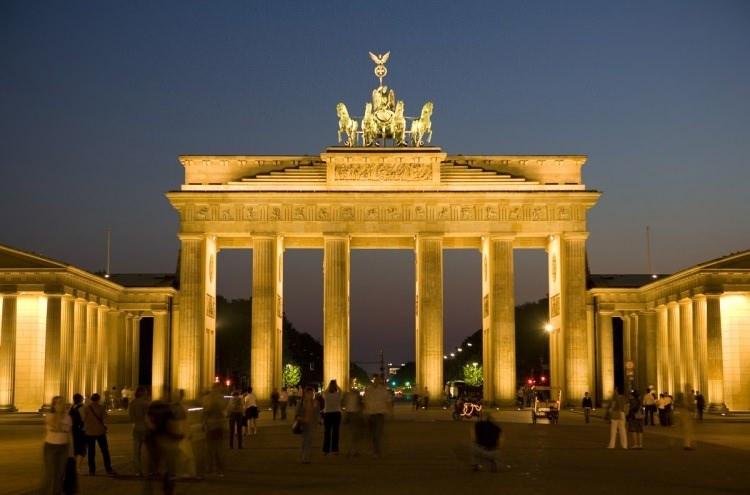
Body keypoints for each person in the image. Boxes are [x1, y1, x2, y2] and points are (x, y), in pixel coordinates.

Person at [144, 399, 182, 495]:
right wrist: (177, 436)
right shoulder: (168, 412)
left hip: (154, 441)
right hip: (166, 439)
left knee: (153, 466)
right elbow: (172, 425)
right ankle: (168, 487)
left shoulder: (150, 412)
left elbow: (149, 426)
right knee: (170, 466)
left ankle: (150, 485)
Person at [41, 396, 72, 494]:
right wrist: (59, 415)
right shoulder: (49, 416)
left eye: (61, 403)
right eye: (57, 403)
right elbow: (57, 427)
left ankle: (56, 493)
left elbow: (67, 432)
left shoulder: (68, 417)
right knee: (50, 473)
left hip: (63, 446)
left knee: (60, 474)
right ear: (53, 405)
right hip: (50, 446)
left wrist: (71, 450)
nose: (59, 405)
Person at [83, 393, 115, 475]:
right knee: (104, 451)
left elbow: (83, 419)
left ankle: (92, 470)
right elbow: (105, 419)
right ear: (98, 399)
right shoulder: (101, 408)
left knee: (91, 451)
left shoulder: (86, 408)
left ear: (91, 399)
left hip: (89, 432)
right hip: (100, 431)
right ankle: (108, 468)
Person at [364, 376, 393, 458]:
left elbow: (388, 401)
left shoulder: (383, 390)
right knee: (372, 435)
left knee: (377, 434)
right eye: (374, 379)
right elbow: (365, 400)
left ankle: (376, 451)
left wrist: (390, 412)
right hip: (370, 414)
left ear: (379, 380)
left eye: (377, 379)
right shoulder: (368, 389)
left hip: (379, 414)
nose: (376, 381)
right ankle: (376, 450)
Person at [202, 386, 226, 476]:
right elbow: (223, 410)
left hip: (210, 426)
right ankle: (219, 469)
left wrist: (203, 423)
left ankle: (209, 468)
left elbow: (205, 412)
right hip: (218, 426)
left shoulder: (207, 399)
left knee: (209, 449)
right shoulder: (220, 398)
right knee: (218, 449)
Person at [172, 389, 196, 479]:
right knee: (186, 453)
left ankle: (184, 472)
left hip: (181, 431)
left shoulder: (177, 406)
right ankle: (187, 472)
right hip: (182, 431)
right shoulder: (181, 406)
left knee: (184, 452)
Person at [128, 386, 150, 476]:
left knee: (136, 451)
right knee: (147, 450)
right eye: (146, 392)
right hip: (145, 428)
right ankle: (146, 470)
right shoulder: (146, 403)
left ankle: (137, 471)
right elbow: (148, 417)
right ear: (143, 393)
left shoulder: (132, 403)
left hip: (136, 427)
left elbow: (131, 417)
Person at [295, 386, 320, 464]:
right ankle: (303, 456)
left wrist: (318, 421)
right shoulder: (301, 402)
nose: (310, 395)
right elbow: (296, 414)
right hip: (303, 423)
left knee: (308, 441)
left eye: (312, 393)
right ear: (305, 394)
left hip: (311, 424)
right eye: (308, 393)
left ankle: (306, 458)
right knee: (304, 441)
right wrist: (298, 418)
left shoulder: (316, 402)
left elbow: (317, 414)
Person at [321, 379, 342, 455]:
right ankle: (335, 449)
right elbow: (341, 390)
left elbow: (325, 391)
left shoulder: (326, 394)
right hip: (336, 413)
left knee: (327, 433)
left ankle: (326, 450)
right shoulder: (338, 394)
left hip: (328, 414)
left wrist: (330, 385)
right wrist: (336, 385)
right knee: (336, 433)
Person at [342, 388, 364, 456]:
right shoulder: (358, 396)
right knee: (355, 434)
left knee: (349, 434)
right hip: (355, 415)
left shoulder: (346, 395)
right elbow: (361, 405)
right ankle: (355, 450)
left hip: (348, 415)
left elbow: (342, 404)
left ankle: (349, 450)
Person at [69, 393, 87, 474]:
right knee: (81, 449)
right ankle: (77, 468)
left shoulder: (72, 407)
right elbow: (84, 419)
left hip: (73, 430)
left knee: (76, 449)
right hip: (81, 430)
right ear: (81, 399)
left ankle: (75, 467)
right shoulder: (82, 407)